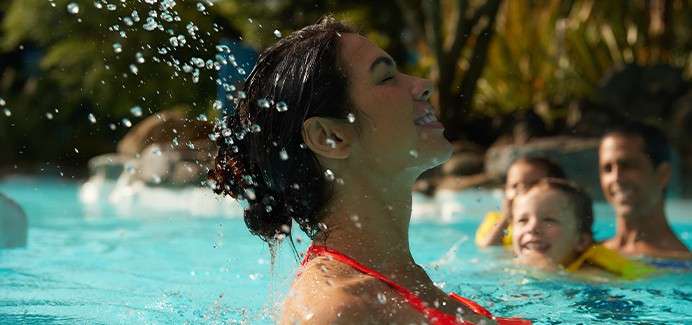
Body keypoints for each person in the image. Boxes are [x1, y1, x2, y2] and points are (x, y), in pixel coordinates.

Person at [209, 17, 530, 325]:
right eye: (386, 77)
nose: (422, 86)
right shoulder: (339, 309)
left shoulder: (395, 285)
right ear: (330, 137)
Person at [510, 178, 654, 279]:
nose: (532, 228)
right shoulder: (507, 266)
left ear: (581, 241)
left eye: (549, 220)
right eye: (523, 220)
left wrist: (549, 274)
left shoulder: (591, 275)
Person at [599, 122, 691, 260]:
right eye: (607, 168)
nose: (616, 178)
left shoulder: (681, 266)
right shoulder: (585, 250)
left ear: (662, 175)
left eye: (628, 166)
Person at [476, 157, 565, 247]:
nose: (521, 191)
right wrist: (506, 219)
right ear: (505, 190)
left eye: (533, 184)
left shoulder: (561, 220)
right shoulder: (495, 220)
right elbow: (487, 248)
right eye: (515, 186)